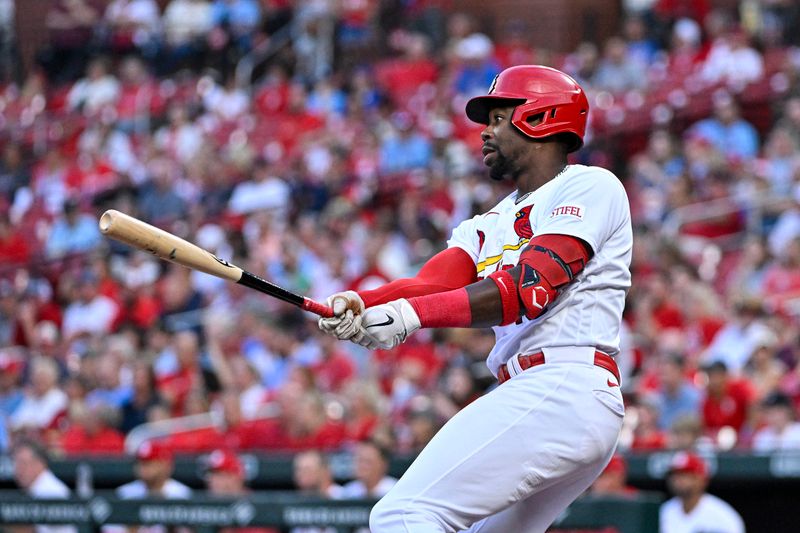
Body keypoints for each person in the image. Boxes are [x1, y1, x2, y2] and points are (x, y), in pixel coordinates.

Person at [319, 64, 631, 532]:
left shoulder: (589, 186)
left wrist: (407, 315)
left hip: (564, 383)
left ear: (541, 118)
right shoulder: (488, 222)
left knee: (403, 513)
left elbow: (530, 288)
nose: (484, 133)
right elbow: (431, 286)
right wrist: (361, 302)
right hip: (543, 395)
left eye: (498, 119)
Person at [660, 451, 745, 533]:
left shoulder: (722, 515)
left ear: (701, 479)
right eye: (675, 475)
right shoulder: (664, 512)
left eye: (684, 474)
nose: (677, 480)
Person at [12, 440, 77, 533]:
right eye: (16, 464)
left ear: (40, 463)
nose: (18, 470)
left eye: (23, 463)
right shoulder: (37, 488)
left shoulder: (51, 490)